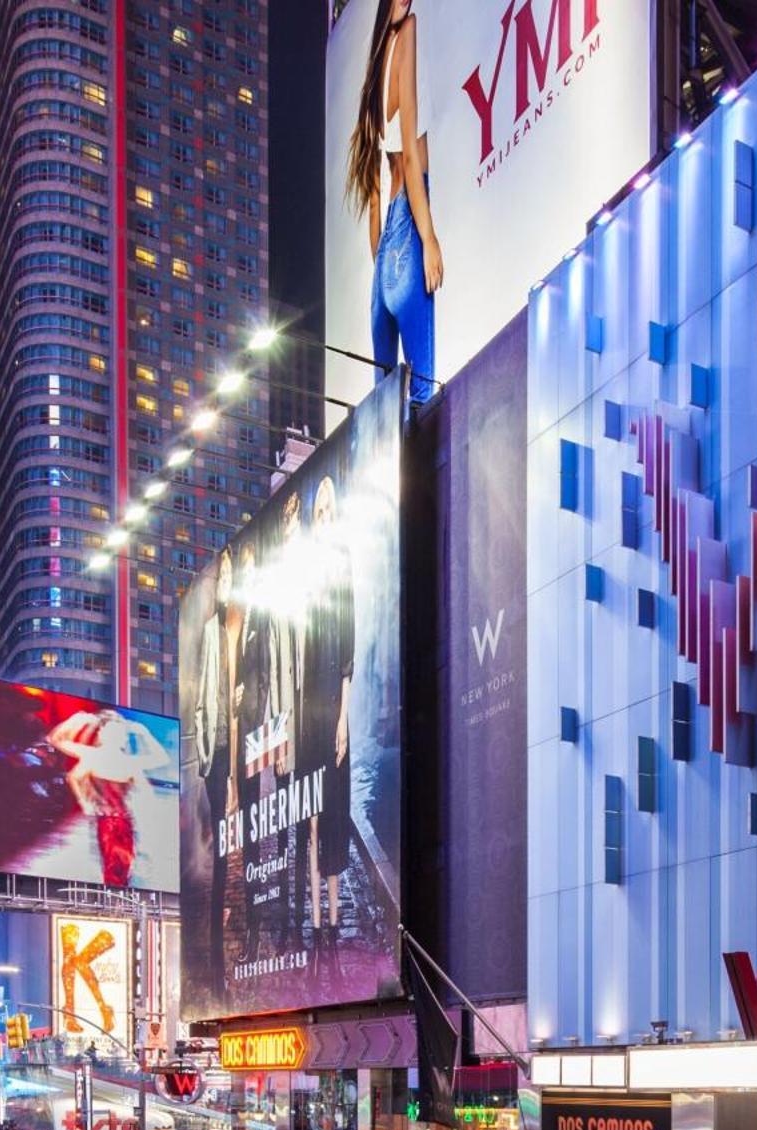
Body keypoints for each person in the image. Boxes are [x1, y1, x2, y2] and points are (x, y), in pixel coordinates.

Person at [349, 0, 442, 404]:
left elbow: (373, 202)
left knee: (387, 407)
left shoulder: (373, 76)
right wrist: (430, 237)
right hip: (407, 222)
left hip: (386, 247)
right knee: (422, 394)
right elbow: (409, 151)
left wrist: (384, 265)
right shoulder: (408, 33)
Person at [300, 473, 356, 935]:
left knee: (334, 812)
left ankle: (335, 914)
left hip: (333, 703)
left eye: (329, 512)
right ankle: (316, 914)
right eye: (318, 512)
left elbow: (348, 658)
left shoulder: (343, 569)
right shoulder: (303, 580)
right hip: (306, 708)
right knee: (311, 814)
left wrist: (343, 719)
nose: (323, 519)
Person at [46, 709, 174, 889]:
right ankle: (113, 904)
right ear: (102, 734)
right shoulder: (93, 755)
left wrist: (144, 733)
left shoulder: (128, 761)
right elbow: (56, 742)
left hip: (126, 823)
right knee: (113, 871)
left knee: (125, 871)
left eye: (119, 732)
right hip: (107, 822)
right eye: (111, 731)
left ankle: (118, 903)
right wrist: (75, 720)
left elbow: (161, 758)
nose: (116, 736)